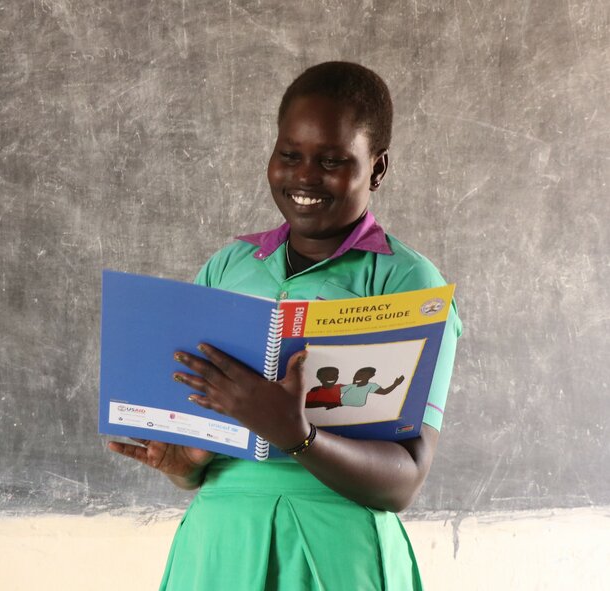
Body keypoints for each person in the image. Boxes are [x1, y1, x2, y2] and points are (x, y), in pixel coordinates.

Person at [108, 61, 462, 590]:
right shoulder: (227, 268)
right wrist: (181, 463)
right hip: (219, 545)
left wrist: (296, 434)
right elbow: (197, 454)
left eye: (333, 160)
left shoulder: (411, 283)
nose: (304, 176)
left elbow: (403, 482)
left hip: (336, 549)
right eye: (289, 154)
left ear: (377, 168)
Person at [339, 367, 405, 407]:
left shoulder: (371, 386)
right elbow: (338, 391)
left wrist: (395, 385)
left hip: (359, 408)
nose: (357, 377)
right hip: (341, 406)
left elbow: (384, 392)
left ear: (371, 376)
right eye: (356, 375)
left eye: (361, 375)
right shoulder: (351, 386)